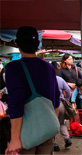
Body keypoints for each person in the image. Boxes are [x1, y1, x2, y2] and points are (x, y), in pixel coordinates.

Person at [5, 26, 60, 154]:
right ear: (38, 44)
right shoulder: (48, 67)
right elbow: (56, 100)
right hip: (47, 129)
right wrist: (51, 124)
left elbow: (16, 103)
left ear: (17, 44)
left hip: (25, 132)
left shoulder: (14, 68)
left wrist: (14, 138)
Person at [51, 61, 72, 152]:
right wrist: (66, 99)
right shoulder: (59, 79)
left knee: (52, 125)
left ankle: (55, 144)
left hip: (50, 105)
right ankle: (67, 138)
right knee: (61, 122)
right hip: (61, 103)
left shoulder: (45, 80)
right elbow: (67, 90)